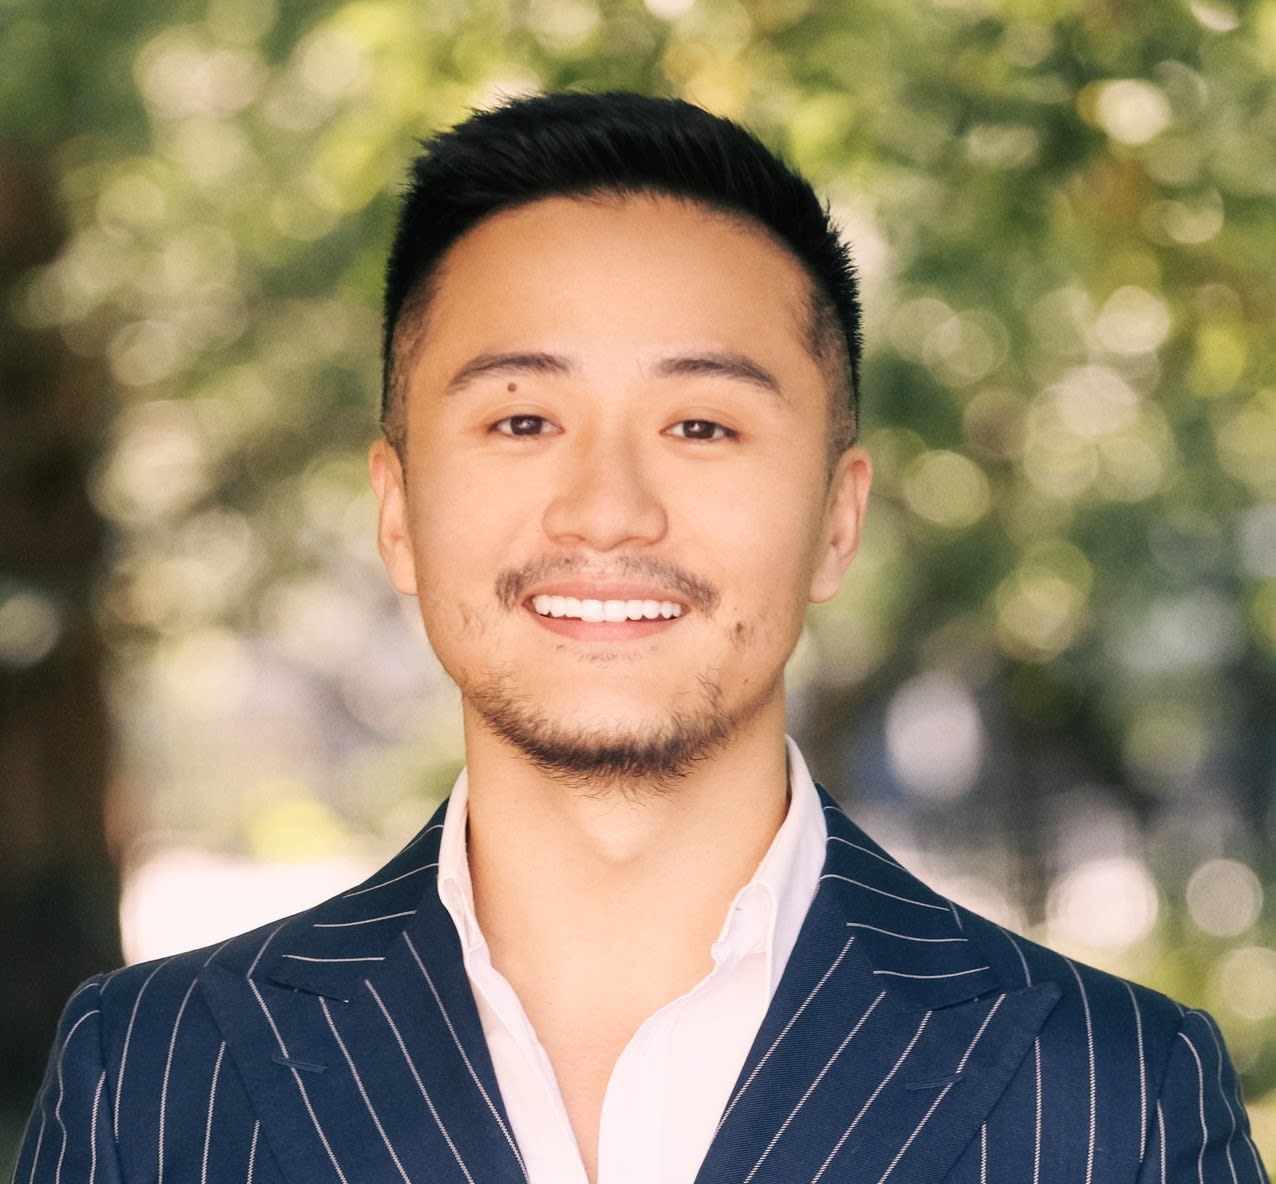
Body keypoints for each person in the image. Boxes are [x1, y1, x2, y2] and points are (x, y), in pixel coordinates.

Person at [15, 91, 1264, 1184]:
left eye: (701, 425)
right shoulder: (154, 1078)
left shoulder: (1114, 1097)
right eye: (521, 420)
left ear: (836, 520)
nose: (607, 510)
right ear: (397, 512)